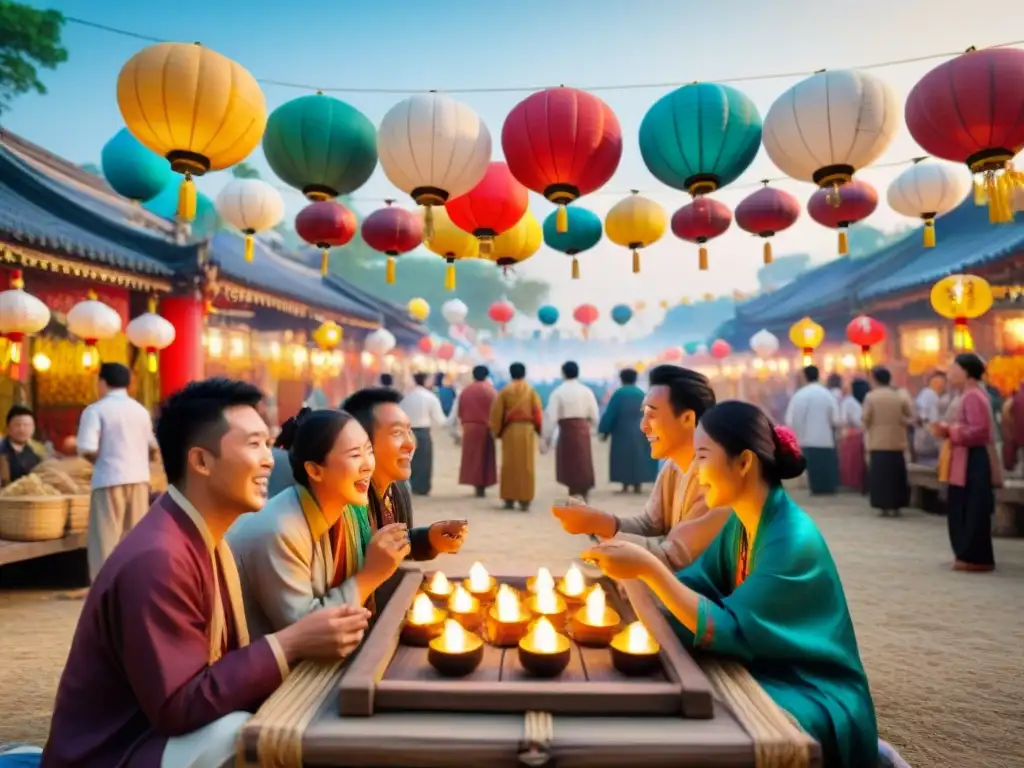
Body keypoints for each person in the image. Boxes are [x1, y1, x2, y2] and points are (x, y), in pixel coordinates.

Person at [41, 379, 370, 768]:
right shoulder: (159, 558)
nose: (269, 459)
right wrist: (291, 643)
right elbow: (178, 706)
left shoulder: (202, 535)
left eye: (267, 443)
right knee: (241, 740)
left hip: (156, 737)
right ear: (200, 461)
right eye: (253, 444)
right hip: (113, 753)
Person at [580, 401, 882, 768]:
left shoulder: (791, 538)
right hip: (763, 662)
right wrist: (642, 580)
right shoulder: (740, 523)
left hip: (809, 683)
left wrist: (648, 570)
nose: (697, 470)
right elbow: (699, 583)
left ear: (743, 463)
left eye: (703, 456)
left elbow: (732, 627)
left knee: (706, 725)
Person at [228, 408, 413, 637]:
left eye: (369, 451)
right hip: (262, 659)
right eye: (355, 455)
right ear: (315, 470)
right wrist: (369, 576)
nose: (368, 465)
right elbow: (304, 633)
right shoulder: (280, 530)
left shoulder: (345, 508)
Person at [552, 365, 730, 570]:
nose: (643, 426)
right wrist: (598, 521)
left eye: (652, 415)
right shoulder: (673, 466)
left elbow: (673, 558)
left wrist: (604, 531)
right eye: (643, 415)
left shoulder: (714, 478)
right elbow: (650, 524)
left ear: (687, 418)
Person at [342, 388, 465, 572]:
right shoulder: (344, 501)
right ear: (362, 442)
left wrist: (429, 539)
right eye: (397, 433)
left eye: (409, 431)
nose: (410, 444)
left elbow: (387, 550)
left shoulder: (398, 487)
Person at [76, 362, 158, 582]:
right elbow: (152, 447)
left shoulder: (96, 410)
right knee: (135, 539)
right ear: (128, 384)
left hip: (108, 478)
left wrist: (104, 460)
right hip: (139, 479)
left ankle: (103, 593)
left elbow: (87, 448)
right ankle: (136, 586)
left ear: (102, 382)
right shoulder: (140, 410)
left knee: (104, 541)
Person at [933, 353, 1002, 572]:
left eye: (954, 369)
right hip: (964, 458)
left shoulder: (973, 396)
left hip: (972, 460)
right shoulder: (968, 394)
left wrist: (949, 431)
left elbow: (980, 432)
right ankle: (967, 555)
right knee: (964, 506)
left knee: (971, 508)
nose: (950, 374)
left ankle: (975, 557)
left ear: (966, 372)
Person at [489, 362, 542, 511]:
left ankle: (509, 498)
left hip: (510, 431)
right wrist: (539, 430)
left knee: (509, 465)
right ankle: (525, 499)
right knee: (526, 465)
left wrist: (498, 432)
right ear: (524, 373)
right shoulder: (531, 391)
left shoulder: (505, 391)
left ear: (510, 373)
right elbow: (537, 413)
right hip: (527, 431)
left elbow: (497, 413)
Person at [543, 361, 600, 501]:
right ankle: (584, 491)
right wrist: (593, 428)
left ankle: (573, 492)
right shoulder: (586, 391)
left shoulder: (558, 392)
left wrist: (546, 438)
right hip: (583, 430)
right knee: (583, 461)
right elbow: (594, 415)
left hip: (567, 432)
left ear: (563, 374)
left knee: (569, 463)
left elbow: (550, 417)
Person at [862, 367, 913, 517]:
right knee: (896, 476)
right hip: (897, 442)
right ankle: (897, 505)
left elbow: (866, 419)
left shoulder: (871, 397)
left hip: (878, 441)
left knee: (881, 476)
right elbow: (909, 416)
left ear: (875, 379)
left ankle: (883, 506)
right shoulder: (899, 396)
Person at [598, 368, 659, 494]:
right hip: (641, 431)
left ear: (621, 379)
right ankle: (638, 485)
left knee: (622, 458)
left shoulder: (618, 394)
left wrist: (603, 431)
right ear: (635, 379)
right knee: (639, 457)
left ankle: (625, 486)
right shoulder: (642, 394)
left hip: (622, 431)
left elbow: (610, 414)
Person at [784, 365, 840, 494]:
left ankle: (816, 489)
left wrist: (797, 435)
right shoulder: (827, 394)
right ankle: (827, 488)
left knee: (813, 467)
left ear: (804, 377)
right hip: (825, 438)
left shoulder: (799, 395)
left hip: (806, 439)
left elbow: (791, 419)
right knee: (825, 466)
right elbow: (835, 418)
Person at [452, 365, 498, 497]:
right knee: (485, 459)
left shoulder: (466, 391)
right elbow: (497, 411)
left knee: (473, 458)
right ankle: (482, 485)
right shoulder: (491, 391)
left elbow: (460, 411)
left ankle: (476, 485)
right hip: (486, 427)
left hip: (469, 428)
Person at [400, 372, 447, 496]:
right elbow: (440, 420)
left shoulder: (406, 397)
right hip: (423, 432)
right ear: (426, 381)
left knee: (409, 460)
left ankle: (409, 485)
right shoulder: (430, 397)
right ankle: (422, 487)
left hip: (408, 432)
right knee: (424, 460)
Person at [838, 378, 869, 493]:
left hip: (852, 434)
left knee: (853, 461)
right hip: (866, 432)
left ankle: (854, 483)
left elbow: (843, 419)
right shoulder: (868, 399)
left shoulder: (848, 401)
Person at [0, 405, 43, 486]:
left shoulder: (36, 453)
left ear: (33, 429)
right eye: (17, 425)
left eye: (27, 425)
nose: (22, 429)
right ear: (8, 428)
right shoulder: (1, 450)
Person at [913, 371, 947, 465]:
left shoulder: (932, 395)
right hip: (928, 443)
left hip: (928, 442)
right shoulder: (929, 394)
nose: (941, 385)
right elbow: (924, 417)